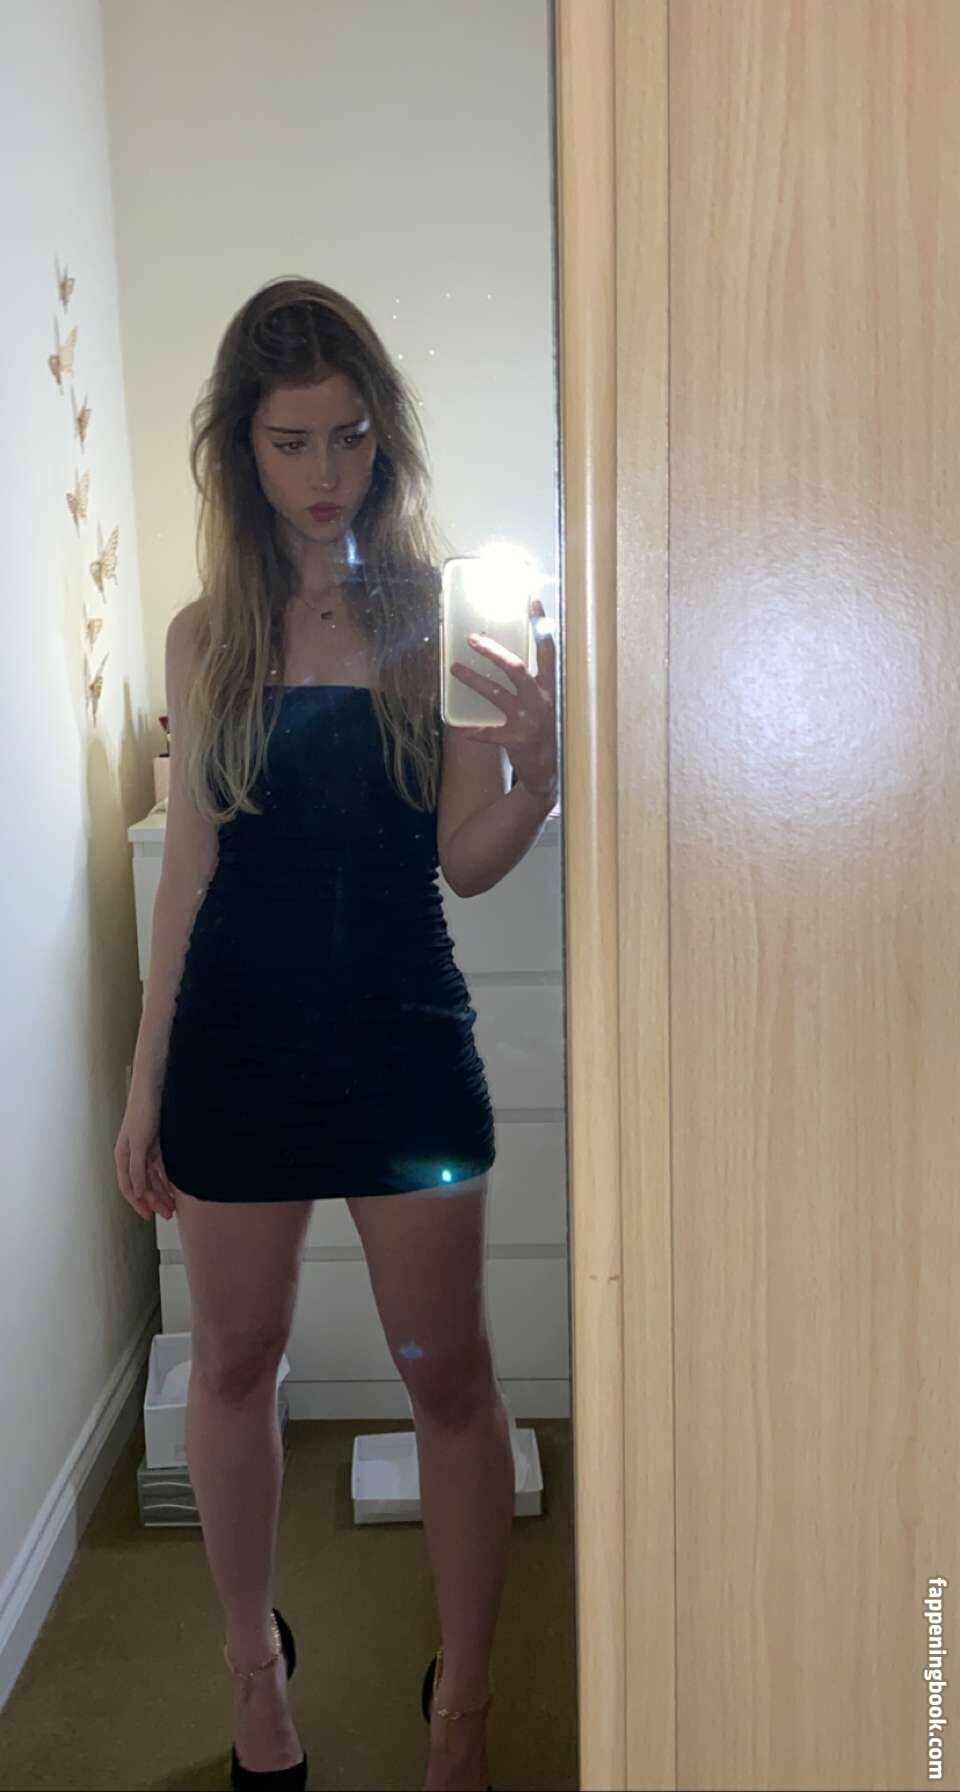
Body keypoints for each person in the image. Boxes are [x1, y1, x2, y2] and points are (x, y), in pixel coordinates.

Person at [114, 276, 559, 1792]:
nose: (326, 473)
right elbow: (187, 877)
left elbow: (466, 859)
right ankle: (258, 1674)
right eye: (292, 441)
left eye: (352, 437)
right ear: (241, 450)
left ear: (387, 437)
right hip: (237, 1048)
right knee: (235, 1365)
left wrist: (541, 774)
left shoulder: (432, 617)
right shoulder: (204, 638)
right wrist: (145, 1082)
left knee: (452, 1383)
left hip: (403, 1040)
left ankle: (463, 1705)